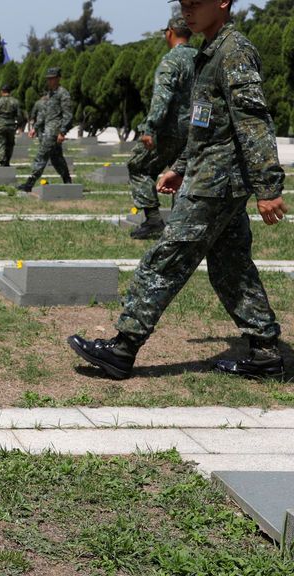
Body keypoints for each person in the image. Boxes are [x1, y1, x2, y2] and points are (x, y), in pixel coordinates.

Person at [69, 0, 288, 381]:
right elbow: (206, 126)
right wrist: (181, 167)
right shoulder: (211, 50)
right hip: (210, 176)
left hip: (216, 183)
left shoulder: (234, 51)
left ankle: (123, 347)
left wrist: (268, 187)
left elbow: (253, 122)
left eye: (195, 3)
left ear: (223, 2)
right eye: (184, 4)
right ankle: (266, 352)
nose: (187, 11)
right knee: (232, 268)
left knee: (166, 259)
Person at [127, 15, 198, 240]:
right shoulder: (200, 58)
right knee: (181, 174)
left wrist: (150, 128)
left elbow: (162, 97)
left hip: (169, 130)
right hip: (195, 129)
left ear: (170, 32)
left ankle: (153, 220)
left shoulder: (171, 61)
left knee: (137, 166)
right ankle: (180, 224)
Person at [19, 68, 72, 192]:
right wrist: (35, 128)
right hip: (48, 129)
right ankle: (67, 181)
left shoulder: (63, 93)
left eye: (52, 78)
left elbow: (68, 115)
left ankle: (29, 184)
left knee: (41, 155)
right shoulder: (50, 94)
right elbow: (43, 114)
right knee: (56, 158)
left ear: (58, 78)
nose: (50, 81)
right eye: (48, 79)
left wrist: (62, 132)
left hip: (54, 131)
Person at [0, 85, 26, 167]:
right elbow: (19, 115)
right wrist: (19, 124)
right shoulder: (15, 102)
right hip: (11, 125)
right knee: (10, 144)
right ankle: (7, 161)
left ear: (2, 91)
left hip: (1, 125)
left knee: (1, 143)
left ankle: (2, 160)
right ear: (10, 92)